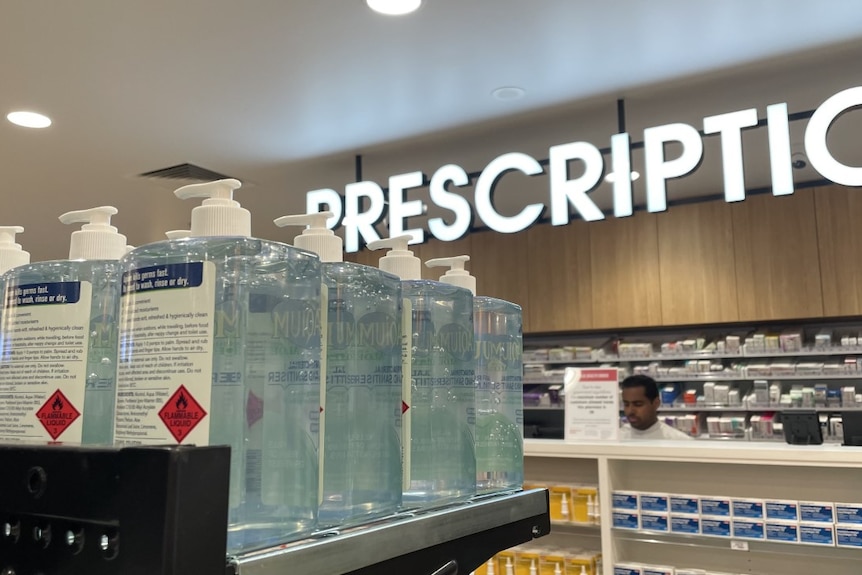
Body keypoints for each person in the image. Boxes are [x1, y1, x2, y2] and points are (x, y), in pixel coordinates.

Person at [620, 374, 693, 440]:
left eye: (638, 404)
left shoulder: (678, 441)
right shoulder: (616, 438)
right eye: (626, 404)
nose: (630, 411)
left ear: (656, 403)